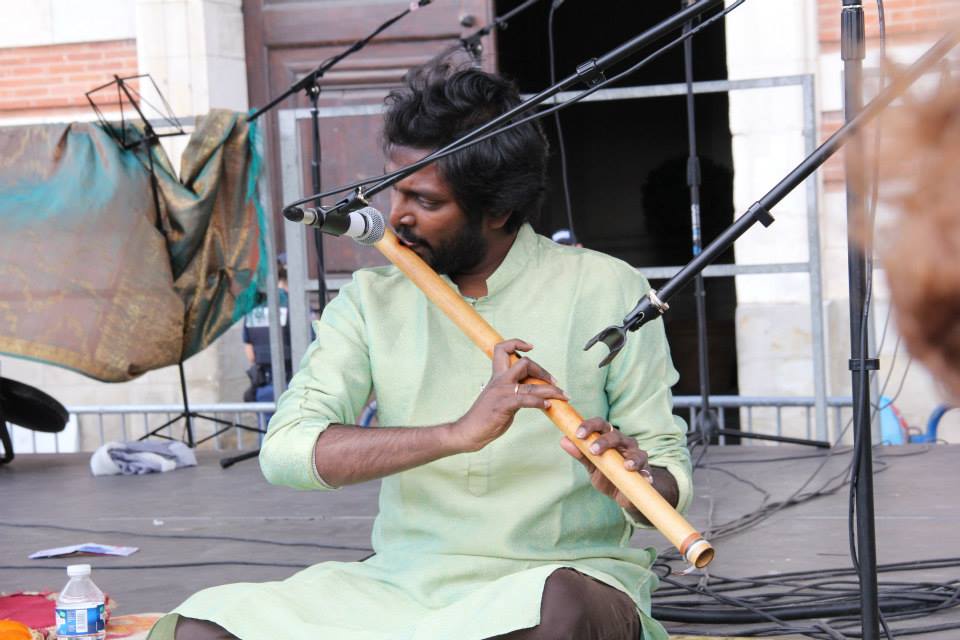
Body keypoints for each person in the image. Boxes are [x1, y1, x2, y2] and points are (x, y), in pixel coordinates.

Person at [149, 62, 691, 640]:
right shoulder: (371, 299)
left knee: (558, 610)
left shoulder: (607, 288)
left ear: (498, 211)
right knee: (203, 626)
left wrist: (632, 481)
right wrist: (454, 434)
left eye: (425, 200)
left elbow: (667, 472)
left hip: (562, 575)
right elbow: (285, 453)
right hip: (403, 585)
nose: (396, 215)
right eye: (394, 188)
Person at [240, 255, 292, 408]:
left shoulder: (253, 308)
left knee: (266, 430)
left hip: (264, 387)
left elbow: (250, 355)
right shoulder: (295, 303)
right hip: (294, 387)